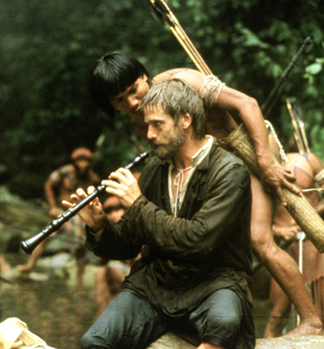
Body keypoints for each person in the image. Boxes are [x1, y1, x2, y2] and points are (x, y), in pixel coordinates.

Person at [88, 51, 323, 336]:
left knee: (260, 240)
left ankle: (311, 319)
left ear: (143, 76)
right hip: (206, 171)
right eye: (119, 101)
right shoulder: (142, 120)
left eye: (133, 91)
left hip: (247, 149)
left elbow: (246, 103)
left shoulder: (181, 81)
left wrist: (265, 162)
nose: (132, 103)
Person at [67, 80, 254, 348]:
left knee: (223, 324)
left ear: (185, 120)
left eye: (158, 124)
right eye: (147, 125)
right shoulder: (157, 168)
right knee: (93, 343)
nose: (149, 134)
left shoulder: (229, 171)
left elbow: (198, 239)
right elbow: (128, 244)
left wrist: (138, 203)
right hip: (157, 283)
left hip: (213, 280)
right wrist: (99, 225)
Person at [16, 147, 100, 288]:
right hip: (63, 210)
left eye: (86, 161)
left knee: (81, 244)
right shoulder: (64, 172)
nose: (83, 164)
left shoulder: (93, 178)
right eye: (80, 160)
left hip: (80, 214)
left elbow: (95, 197)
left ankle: (79, 279)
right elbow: (49, 185)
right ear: (74, 161)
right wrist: (52, 206)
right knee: (47, 235)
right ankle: (30, 265)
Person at [264, 152, 324, 337]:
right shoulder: (256, 169)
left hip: (315, 245)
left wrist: (308, 217)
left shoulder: (308, 160)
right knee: (277, 314)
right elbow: (249, 221)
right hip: (283, 250)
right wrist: (279, 231)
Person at [93, 196, 133, 320]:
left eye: (117, 210)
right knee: (101, 273)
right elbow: (103, 261)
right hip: (119, 277)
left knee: (111, 270)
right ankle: (101, 321)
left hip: (136, 279)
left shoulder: (136, 226)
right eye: (109, 212)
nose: (113, 215)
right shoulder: (109, 234)